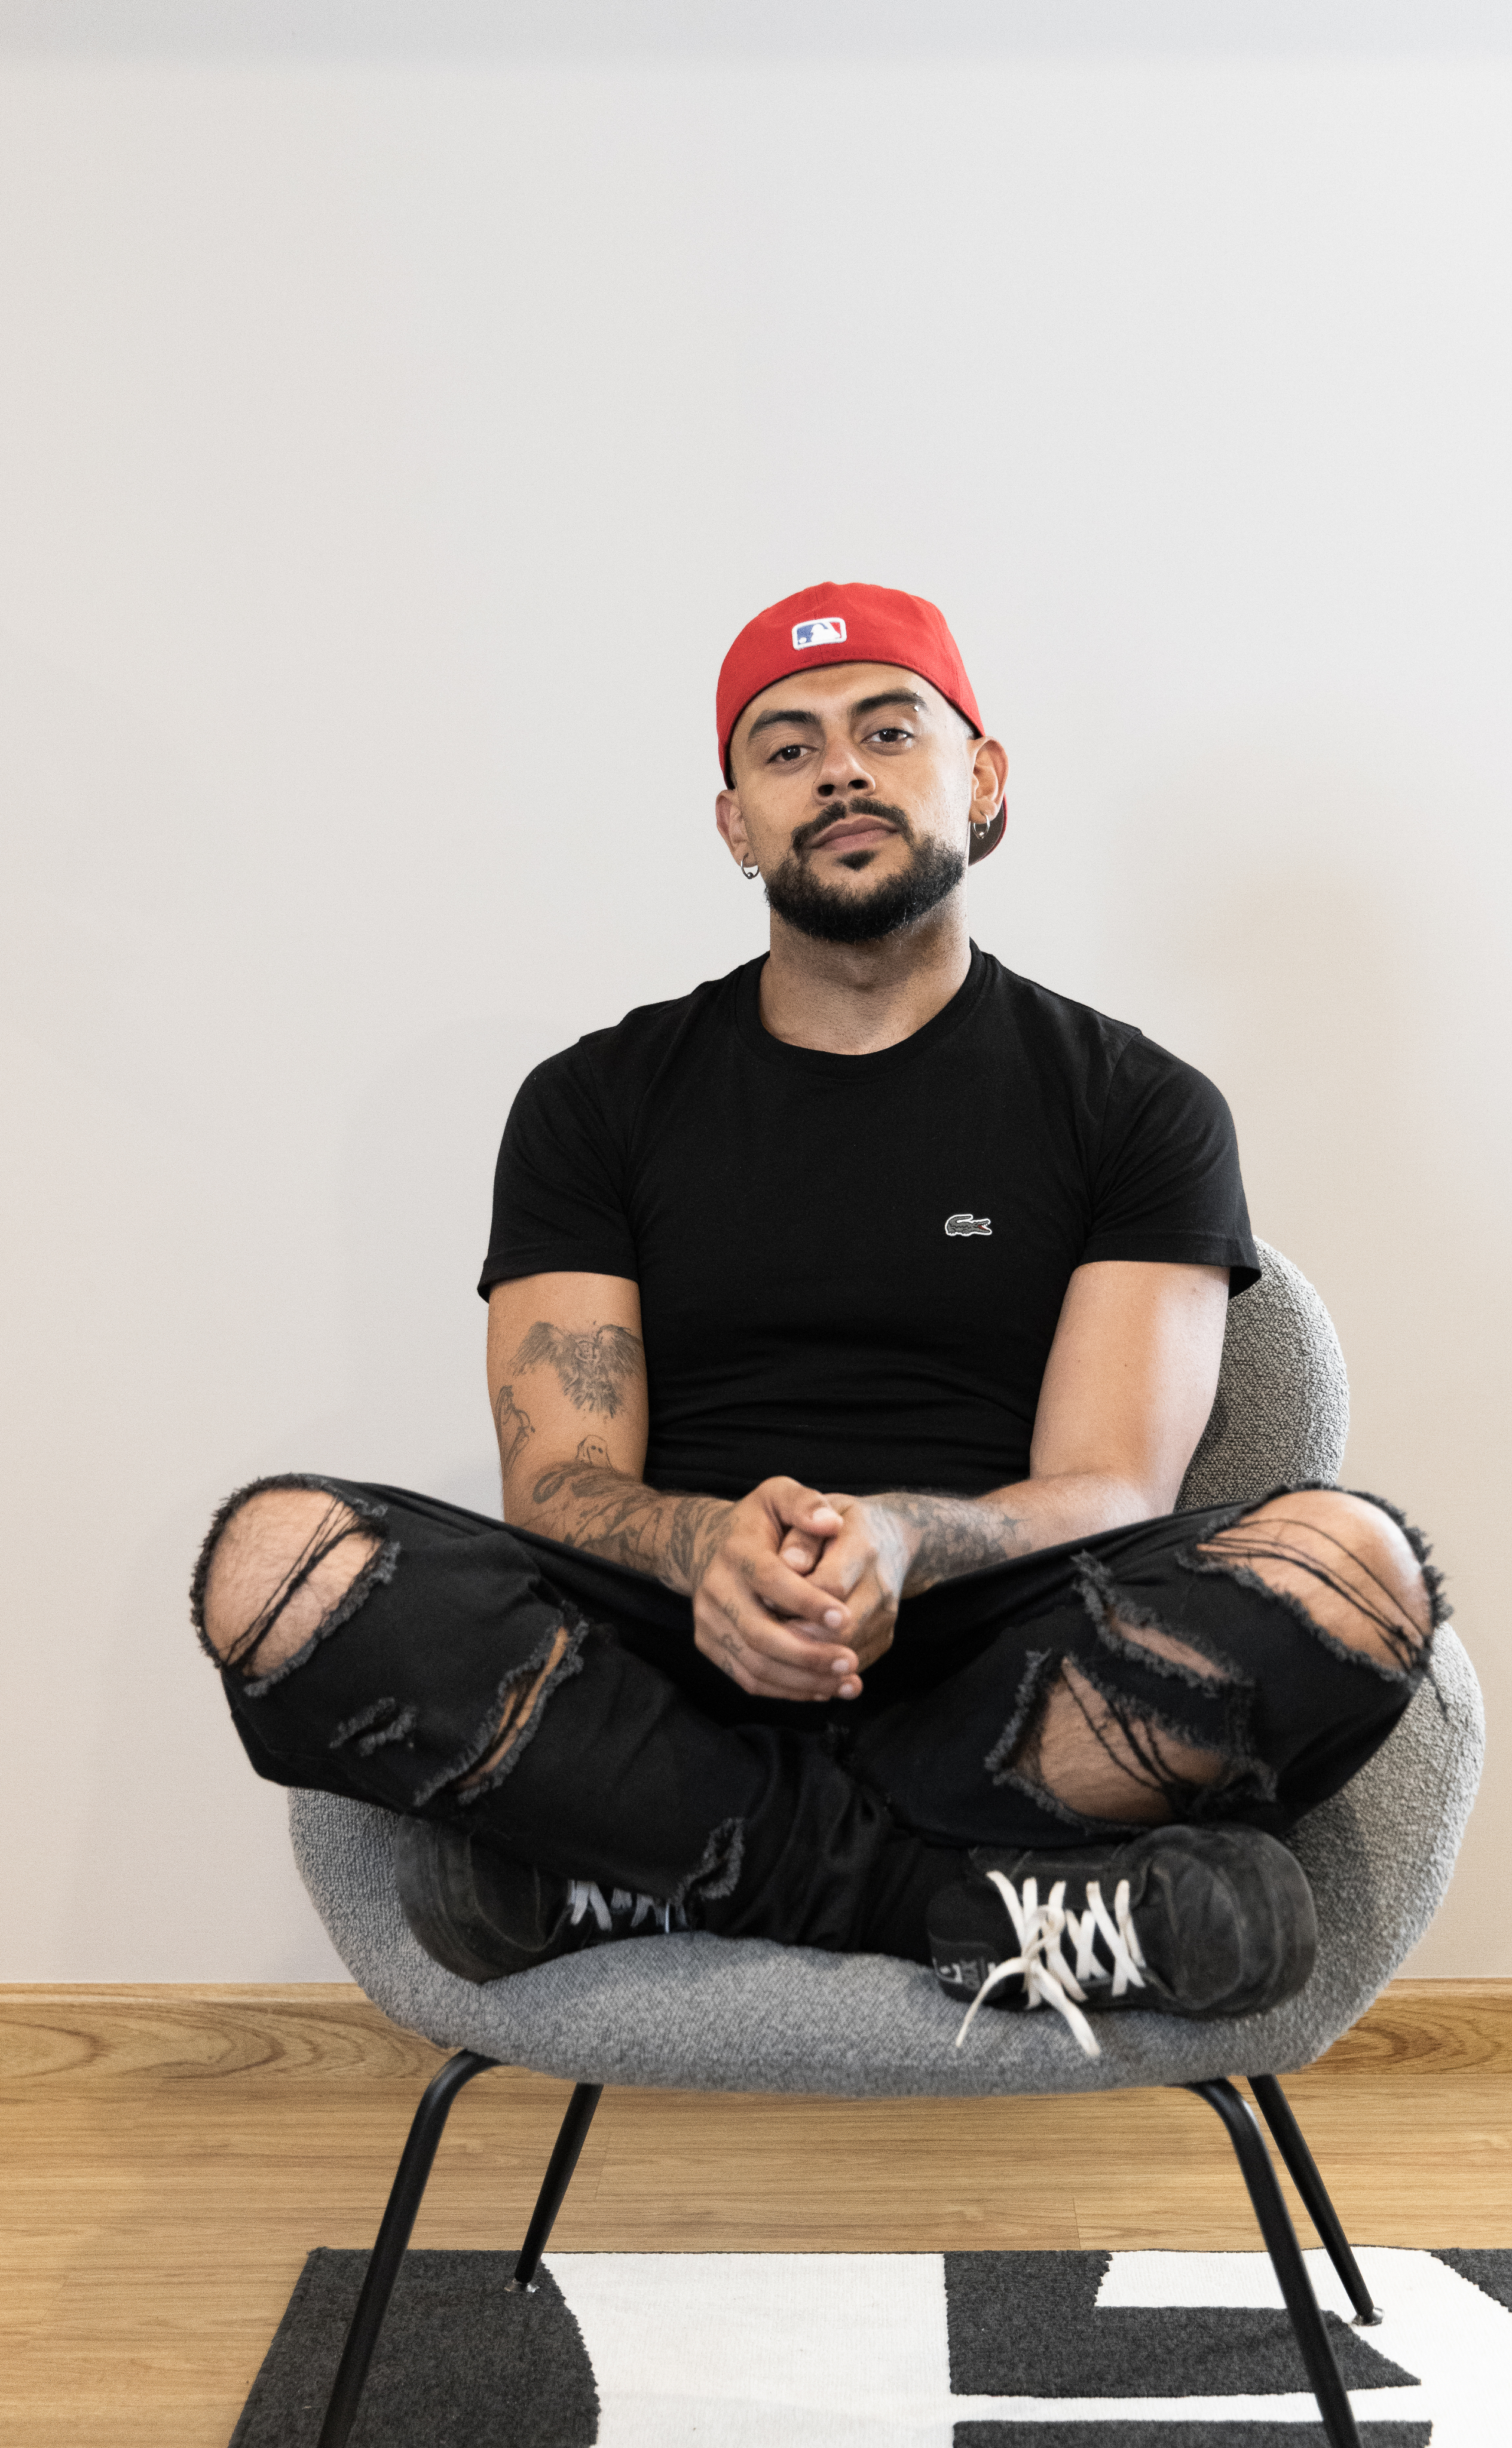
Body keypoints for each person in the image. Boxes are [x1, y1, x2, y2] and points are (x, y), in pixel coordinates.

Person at [192, 582, 1441, 2057]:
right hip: (660, 1675)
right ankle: (956, 1899)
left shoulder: (1137, 1106)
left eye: (886, 730)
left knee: (1354, 1568)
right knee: (276, 1560)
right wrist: (712, 1546)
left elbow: (1113, 1486)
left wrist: (903, 1540)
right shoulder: (595, 1102)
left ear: (978, 779)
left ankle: (652, 1875)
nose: (838, 769)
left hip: (1003, 1678)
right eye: (784, 749)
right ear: (735, 823)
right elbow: (562, 1482)